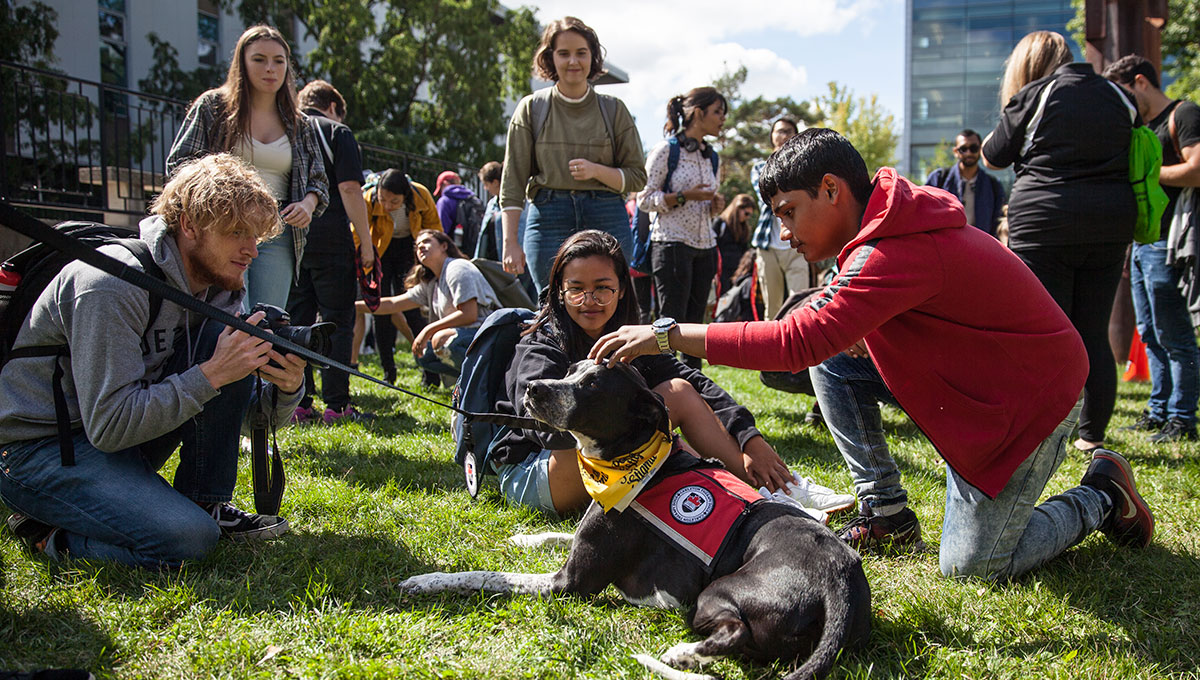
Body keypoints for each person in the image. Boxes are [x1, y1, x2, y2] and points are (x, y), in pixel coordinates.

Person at [591, 128, 1155, 581]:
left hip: (1033, 403)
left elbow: (795, 341)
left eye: (789, 212)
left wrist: (669, 334)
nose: (783, 232)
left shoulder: (894, 249)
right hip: (979, 389)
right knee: (832, 357)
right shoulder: (885, 230)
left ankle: (1101, 494)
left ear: (832, 190)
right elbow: (817, 339)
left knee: (974, 567)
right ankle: (884, 510)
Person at [0, 154, 307, 569]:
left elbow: (233, 409)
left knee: (226, 340)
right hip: (40, 449)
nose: (251, 250)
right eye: (237, 233)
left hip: (114, 437)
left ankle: (205, 503)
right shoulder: (110, 285)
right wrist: (213, 373)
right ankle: (47, 534)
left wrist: (287, 388)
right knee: (189, 541)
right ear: (189, 226)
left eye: (256, 236)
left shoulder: (217, 286)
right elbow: (109, 426)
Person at [490, 229, 817, 517]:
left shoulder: (627, 338)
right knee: (665, 405)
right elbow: (540, 424)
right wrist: (647, 434)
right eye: (576, 289)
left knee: (679, 391)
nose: (589, 300)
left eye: (603, 288)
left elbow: (695, 383)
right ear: (559, 292)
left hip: (596, 464)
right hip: (537, 471)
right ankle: (757, 492)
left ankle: (768, 488)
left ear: (621, 290)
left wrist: (751, 439)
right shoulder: (542, 340)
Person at [981, 31, 1136, 453]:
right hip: (1110, 225)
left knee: (1044, 334)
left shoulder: (1034, 95)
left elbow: (993, 155)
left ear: (1027, 66)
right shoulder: (1117, 95)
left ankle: (1041, 431)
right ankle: (1092, 436)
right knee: (1092, 330)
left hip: (1045, 225)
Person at [166, 25, 328, 311]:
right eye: (259, 59)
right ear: (242, 62)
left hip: (278, 230)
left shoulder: (298, 122)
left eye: (279, 61)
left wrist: (308, 203)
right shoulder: (212, 107)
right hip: (222, 229)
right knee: (225, 315)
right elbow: (180, 166)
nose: (270, 68)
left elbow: (319, 179)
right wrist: (216, 202)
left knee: (267, 320)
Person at [499, 16, 647, 294]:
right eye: (563, 53)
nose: (573, 62)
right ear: (550, 58)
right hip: (548, 214)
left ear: (593, 57)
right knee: (551, 304)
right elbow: (513, 182)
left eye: (581, 53)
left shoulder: (614, 110)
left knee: (607, 302)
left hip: (606, 213)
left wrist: (597, 171)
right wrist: (510, 242)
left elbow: (638, 178)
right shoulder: (531, 108)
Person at [1105, 55, 1200, 443]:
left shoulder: (1186, 113)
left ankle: (1182, 417)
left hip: (1172, 241)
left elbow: (1196, 168)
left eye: (1125, 93)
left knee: (1173, 332)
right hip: (1143, 243)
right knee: (1148, 333)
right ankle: (1158, 411)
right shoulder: (1142, 127)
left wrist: (1148, 171)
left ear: (1141, 82)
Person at [287, 79, 373, 425]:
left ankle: (299, 402)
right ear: (333, 107)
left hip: (289, 237)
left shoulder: (284, 130)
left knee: (296, 321)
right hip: (332, 238)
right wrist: (366, 243)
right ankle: (336, 405)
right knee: (337, 321)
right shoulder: (336, 132)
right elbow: (351, 189)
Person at [637, 86, 729, 370]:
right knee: (669, 321)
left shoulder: (711, 156)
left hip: (705, 246)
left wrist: (714, 204)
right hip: (671, 245)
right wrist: (684, 196)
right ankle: (664, 383)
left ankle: (695, 388)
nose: (723, 119)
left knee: (696, 325)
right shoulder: (666, 150)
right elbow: (643, 200)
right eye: (718, 112)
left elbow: (706, 200)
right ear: (698, 113)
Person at [357, 230, 498, 379]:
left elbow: (469, 314)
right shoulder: (432, 282)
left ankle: (489, 380)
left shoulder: (457, 268)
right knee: (423, 355)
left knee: (442, 341)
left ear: (444, 246)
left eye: (426, 242)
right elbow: (392, 304)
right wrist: (351, 306)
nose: (421, 247)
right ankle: (471, 382)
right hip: (462, 337)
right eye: (417, 246)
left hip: (487, 334)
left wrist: (428, 330)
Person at [351, 169, 439, 385]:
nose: (387, 206)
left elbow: (435, 228)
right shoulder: (368, 199)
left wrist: (429, 259)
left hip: (411, 251)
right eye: (383, 199)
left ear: (405, 195)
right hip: (379, 252)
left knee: (413, 309)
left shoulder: (420, 195)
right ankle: (388, 372)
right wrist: (362, 255)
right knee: (379, 310)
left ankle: (430, 372)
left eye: (394, 201)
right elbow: (356, 231)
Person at [751, 117, 810, 320]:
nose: (784, 136)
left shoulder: (805, 167)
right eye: (779, 131)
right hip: (768, 246)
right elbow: (767, 198)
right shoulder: (760, 167)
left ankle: (799, 348)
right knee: (772, 307)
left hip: (798, 242)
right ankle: (771, 351)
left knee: (800, 304)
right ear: (772, 136)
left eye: (789, 131)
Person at [924, 129, 1006, 238]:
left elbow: (997, 223)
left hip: (981, 248)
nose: (969, 153)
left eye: (973, 148)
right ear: (955, 152)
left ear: (980, 149)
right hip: (945, 246)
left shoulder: (993, 185)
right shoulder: (939, 178)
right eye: (963, 149)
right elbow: (925, 215)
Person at [713, 193, 755, 296]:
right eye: (746, 213)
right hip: (720, 272)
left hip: (737, 274)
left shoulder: (744, 229)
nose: (747, 217)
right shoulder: (720, 223)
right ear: (738, 209)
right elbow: (712, 247)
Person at [434, 170, 484, 256]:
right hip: (474, 249)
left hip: (453, 250)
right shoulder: (472, 198)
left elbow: (442, 229)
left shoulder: (444, 201)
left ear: (444, 184)